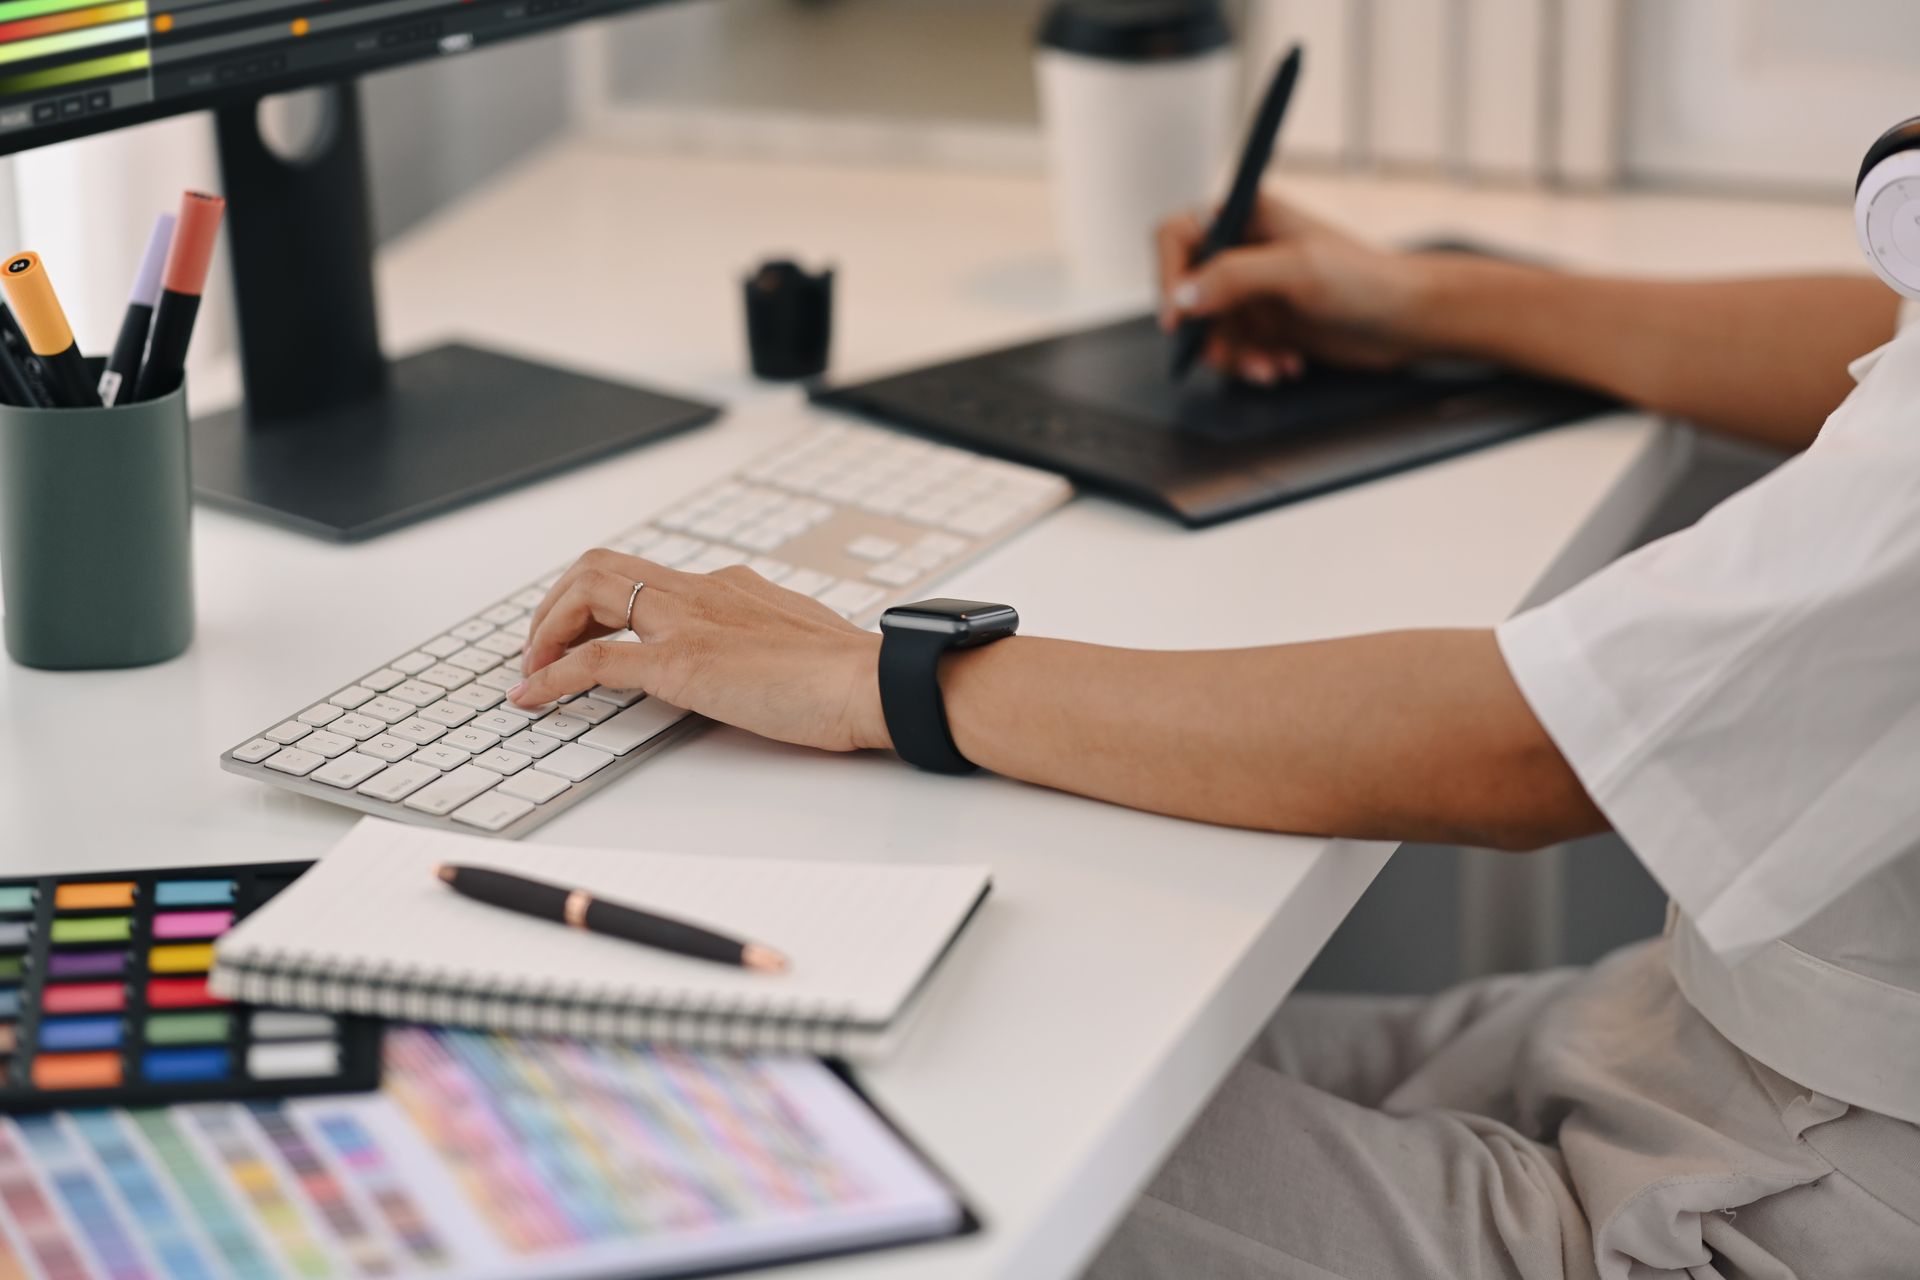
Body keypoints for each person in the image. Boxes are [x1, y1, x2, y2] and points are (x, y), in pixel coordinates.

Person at [505, 189, 1920, 1278]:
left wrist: (880, 679)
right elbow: (1884, 345)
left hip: (1782, 1213)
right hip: (1682, 1034)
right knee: (1036, 1029)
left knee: (814, 1121)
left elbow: (1530, 751)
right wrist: (1425, 301)